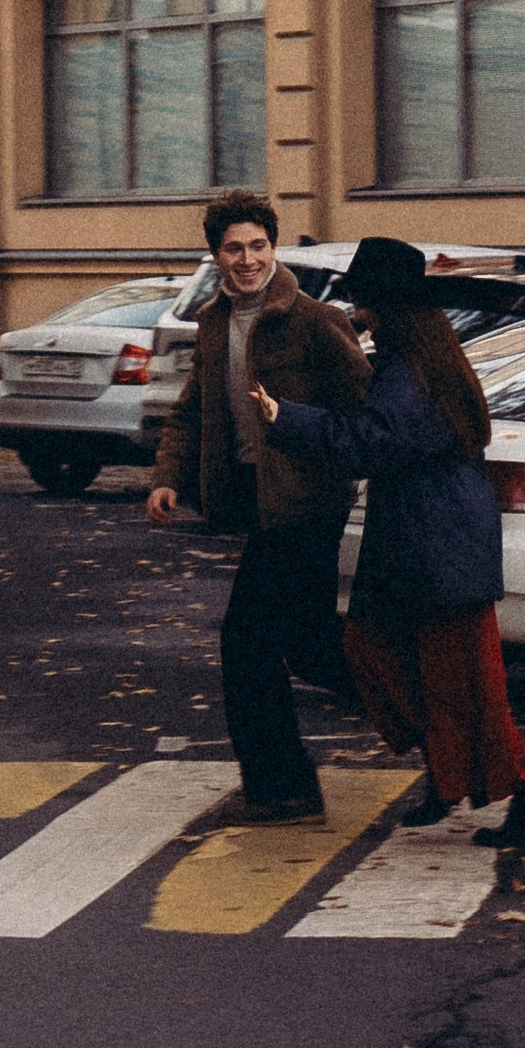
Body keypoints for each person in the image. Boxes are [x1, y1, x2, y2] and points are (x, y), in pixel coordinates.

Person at [255, 233, 525, 852]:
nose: (355, 311)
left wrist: (284, 418)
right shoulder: (418, 357)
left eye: (361, 300)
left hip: (439, 552)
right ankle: (447, 775)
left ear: (386, 304)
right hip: (423, 546)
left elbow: (368, 446)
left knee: (465, 685)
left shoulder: (412, 372)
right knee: (381, 654)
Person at [147, 190, 371, 823]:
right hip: (256, 503)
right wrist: (168, 475)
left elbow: (360, 414)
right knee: (311, 645)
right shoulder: (217, 321)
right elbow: (194, 406)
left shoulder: (313, 321)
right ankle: (437, 718)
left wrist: (304, 436)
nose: (247, 260)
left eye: (258, 246)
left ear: (274, 247)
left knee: (245, 643)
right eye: (233, 248)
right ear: (215, 254)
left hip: (308, 504)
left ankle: (283, 789)